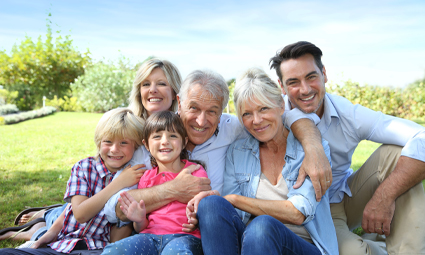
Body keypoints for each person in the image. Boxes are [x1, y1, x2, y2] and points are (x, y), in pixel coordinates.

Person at [110, 69, 330, 234]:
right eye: (193, 108)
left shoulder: (234, 128)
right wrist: (173, 190)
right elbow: (116, 209)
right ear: (179, 102)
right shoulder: (155, 141)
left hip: (208, 236)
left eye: (212, 112)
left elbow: (278, 116)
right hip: (156, 234)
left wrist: (313, 146)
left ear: (222, 111)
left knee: (214, 204)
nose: (201, 121)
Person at [1, 57, 183, 246]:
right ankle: (44, 219)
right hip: (106, 209)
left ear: (175, 91)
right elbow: (89, 191)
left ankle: (43, 218)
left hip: (124, 217)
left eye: (161, 83)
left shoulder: (181, 131)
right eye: (146, 84)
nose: (152, 89)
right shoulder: (129, 124)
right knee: (75, 216)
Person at [269, 41, 425, 254]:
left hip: (337, 202)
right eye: (293, 82)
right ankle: (376, 242)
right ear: (281, 86)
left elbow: (421, 136)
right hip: (297, 211)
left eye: (311, 76)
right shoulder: (270, 117)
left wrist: (384, 196)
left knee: (396, 154)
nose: (305, 89)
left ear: (324, 74)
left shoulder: (349, 114)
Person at [187, 68, 338, 255]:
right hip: (253, 245)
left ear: (281, 107)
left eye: (263, 109)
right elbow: (233, 214)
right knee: (211, 204)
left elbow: (298, 213)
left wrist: (234, 200)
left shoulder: (311, 151)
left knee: (262, 225)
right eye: (247, 114)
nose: (256, 120)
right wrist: (217, 201)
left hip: (303, 246)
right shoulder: (238, 151)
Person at [0, 108, 146, 254]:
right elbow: (80, 214)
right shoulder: (85, 168)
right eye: (108, 141)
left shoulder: (136, 175)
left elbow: (123, 229)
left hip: (96, 248)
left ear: (136, 145)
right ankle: (31, 232)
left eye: (123, 143)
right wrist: (118, 183)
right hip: (63, 242)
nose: (114, 149)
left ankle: (34, 230)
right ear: (98, 142)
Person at [102, 111, 206, 254]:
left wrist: (196, 219)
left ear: (184, 142)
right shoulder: (147, 177)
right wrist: (138, 220)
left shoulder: (194, 171)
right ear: (146, 145)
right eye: (157, 136)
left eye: (173, 136)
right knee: (115, 250)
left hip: (184, 237)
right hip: (149, 237)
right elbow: (141, 226)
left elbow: (205, 206)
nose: (165, 141)